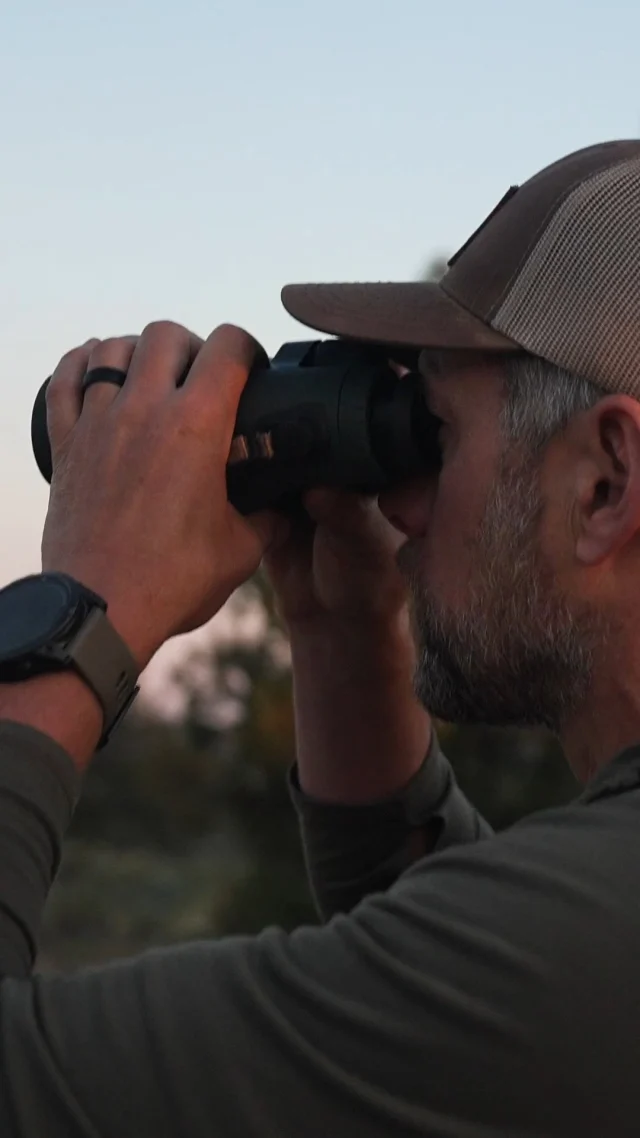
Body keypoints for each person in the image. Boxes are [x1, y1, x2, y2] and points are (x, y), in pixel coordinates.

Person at [0, 138, 639, 1138]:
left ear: (606, 481)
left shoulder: (584, 956)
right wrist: (343, 631)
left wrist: (80, 608)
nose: (400, 499)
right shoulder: (575, 961)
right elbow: (439, 1036)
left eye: (436, 432)